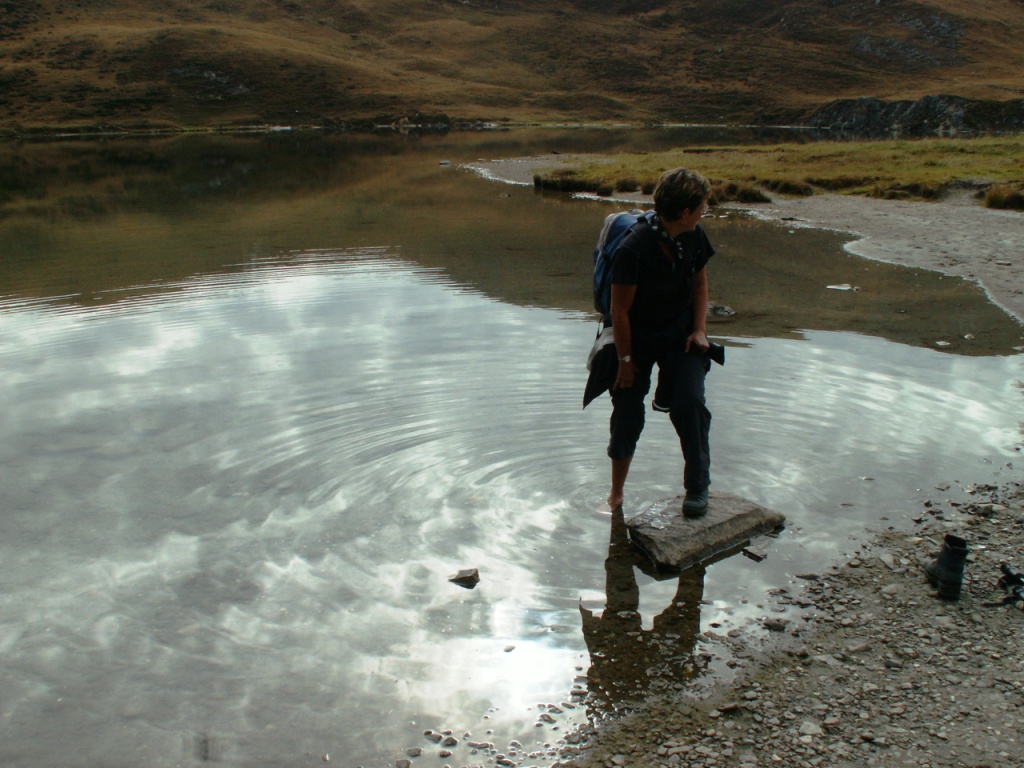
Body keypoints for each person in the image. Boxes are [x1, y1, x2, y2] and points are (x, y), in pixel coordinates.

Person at [606, 168, 714, 516]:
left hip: (681, 334)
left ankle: (697, 488)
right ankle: (616, 494)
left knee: (690, 403)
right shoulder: (633, 247)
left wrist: (699, 330)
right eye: (701, 208)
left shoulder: (695, 237)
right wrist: (625, 362)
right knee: (627, 410)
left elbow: (700, 286)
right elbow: (619, 311)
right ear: (684, 212)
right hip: (635, 338)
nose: (703, 213)